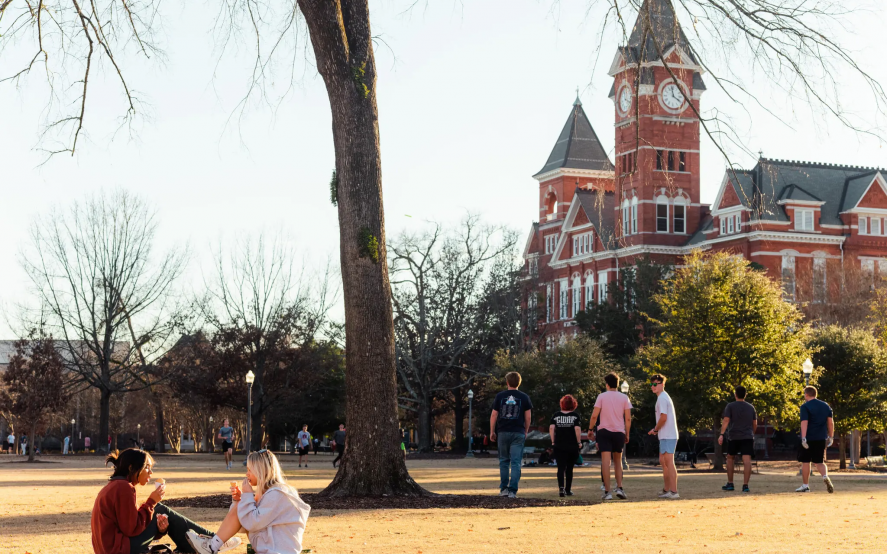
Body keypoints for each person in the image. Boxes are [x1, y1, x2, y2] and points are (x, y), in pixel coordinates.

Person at [90, 448, 240, 554]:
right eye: (147, 467)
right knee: (160, 509)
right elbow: (131, 529)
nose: (151, 472)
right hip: (117, 550)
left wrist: (159, 529)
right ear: (131, 468)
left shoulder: (116, 486)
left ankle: (208, 544)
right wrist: (151, 502)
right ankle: (216, 540)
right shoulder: (123, 488)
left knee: (159, 512)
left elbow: (129, 527)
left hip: (113, 548)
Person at [187, 450, 311, 554]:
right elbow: (241, 522)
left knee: (243, 510)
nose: (247, 474)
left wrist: (246, 496)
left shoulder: (277, 494)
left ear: (261, 471)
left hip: (277, 551)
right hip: (272, 547)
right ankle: (216, 544)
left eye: (250, 470)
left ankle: (213, 546)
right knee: (240, 508)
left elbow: (250, 523)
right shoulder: (271, 493)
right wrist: (239, 500)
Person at [588, 373, 632, 500]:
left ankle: (607, 492)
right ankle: (620, 487)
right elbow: (628, 418)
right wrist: (627, 433)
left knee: (606, 462)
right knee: (618, 461)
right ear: (618, 384)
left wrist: (590, 429)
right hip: (619, 431)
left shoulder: (601, 396)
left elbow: (594, 416)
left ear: (607, 384)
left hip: (604, 432)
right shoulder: (624, 398)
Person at [490, 371, 533, 499]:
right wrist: (525, 430)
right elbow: (528, 416)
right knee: (516, 462)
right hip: (518, 432)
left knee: (503, 461)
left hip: (502, 432)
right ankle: (512, 491)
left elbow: (494, 415)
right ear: (519, 383)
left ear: (507, 382)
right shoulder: (524, 397)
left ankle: (503, 488)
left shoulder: (500, 396)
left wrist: (492, 431)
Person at [796, 386, 835, 493]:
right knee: (819, 461)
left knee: (806, 461)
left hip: (809, 438)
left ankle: (805, 485)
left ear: (806, 394)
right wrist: (831, 436)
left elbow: (804, 422)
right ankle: (825, 477)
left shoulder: (805, 406)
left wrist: (803, 438)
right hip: (821, 437)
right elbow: (830, 422)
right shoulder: (825, 406)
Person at [718, 385, 757, 493]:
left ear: (735, 394)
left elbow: (726, 420)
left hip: (734, 436)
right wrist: (752, 434)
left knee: (730, 458)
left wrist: (721, 434)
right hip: (747, 437)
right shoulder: (751, 407)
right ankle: (745, 485)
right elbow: (755, 423)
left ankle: (730, 483)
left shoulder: (730, 406)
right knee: (747, 460)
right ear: (745, 395)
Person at [648, 374, 680, 499]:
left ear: (662, 384)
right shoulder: (662, 397)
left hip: (668, 435)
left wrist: (655, 429)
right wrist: (656, 430)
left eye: (655, 384)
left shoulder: (662, 398)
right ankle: (667, 490)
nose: (653, 386)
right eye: (651, 384)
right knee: (664, 462)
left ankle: (674, 491)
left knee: (669, 463)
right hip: (665, 435)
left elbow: (663, 417)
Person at [549, 394, 582, 497]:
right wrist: (579, 442)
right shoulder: (575, 416)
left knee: (560, 468)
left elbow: (551, 428)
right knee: (569, 468)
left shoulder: (556, 415)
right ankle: (568, 490)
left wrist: (553, 442)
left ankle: (561, 489)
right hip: (572, 446)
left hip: (559, 445)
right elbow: (577, 429)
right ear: (573, 404)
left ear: (562, 404)